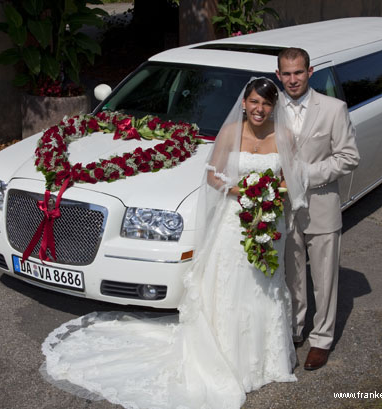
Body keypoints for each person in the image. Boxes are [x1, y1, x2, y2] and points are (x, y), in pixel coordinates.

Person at [40, 78, 306, 409]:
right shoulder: (230, 133)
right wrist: (243, 191)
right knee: (232, 282)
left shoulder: (284, 137)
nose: (259, 109)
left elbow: (290, 180)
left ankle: (264, 358)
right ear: (244, 103)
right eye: (254, 101)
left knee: (264, 282)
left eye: (266, 104)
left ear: (274, 107)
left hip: (268, 220)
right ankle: (226, 355)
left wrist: (267, 194)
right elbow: (213, 175)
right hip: (233, 220)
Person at [275, 48, 360, 371]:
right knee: (292, 276)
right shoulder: (270, 107)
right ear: (278, 75)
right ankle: (294, 330)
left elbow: (349, 157)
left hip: (321, 205)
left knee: (324, 279)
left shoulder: (334, 109)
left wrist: (305, 174)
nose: (293, 79)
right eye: (286, 73)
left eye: (298, 72)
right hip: (283, 209)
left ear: (310, 72)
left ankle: (321, 339)